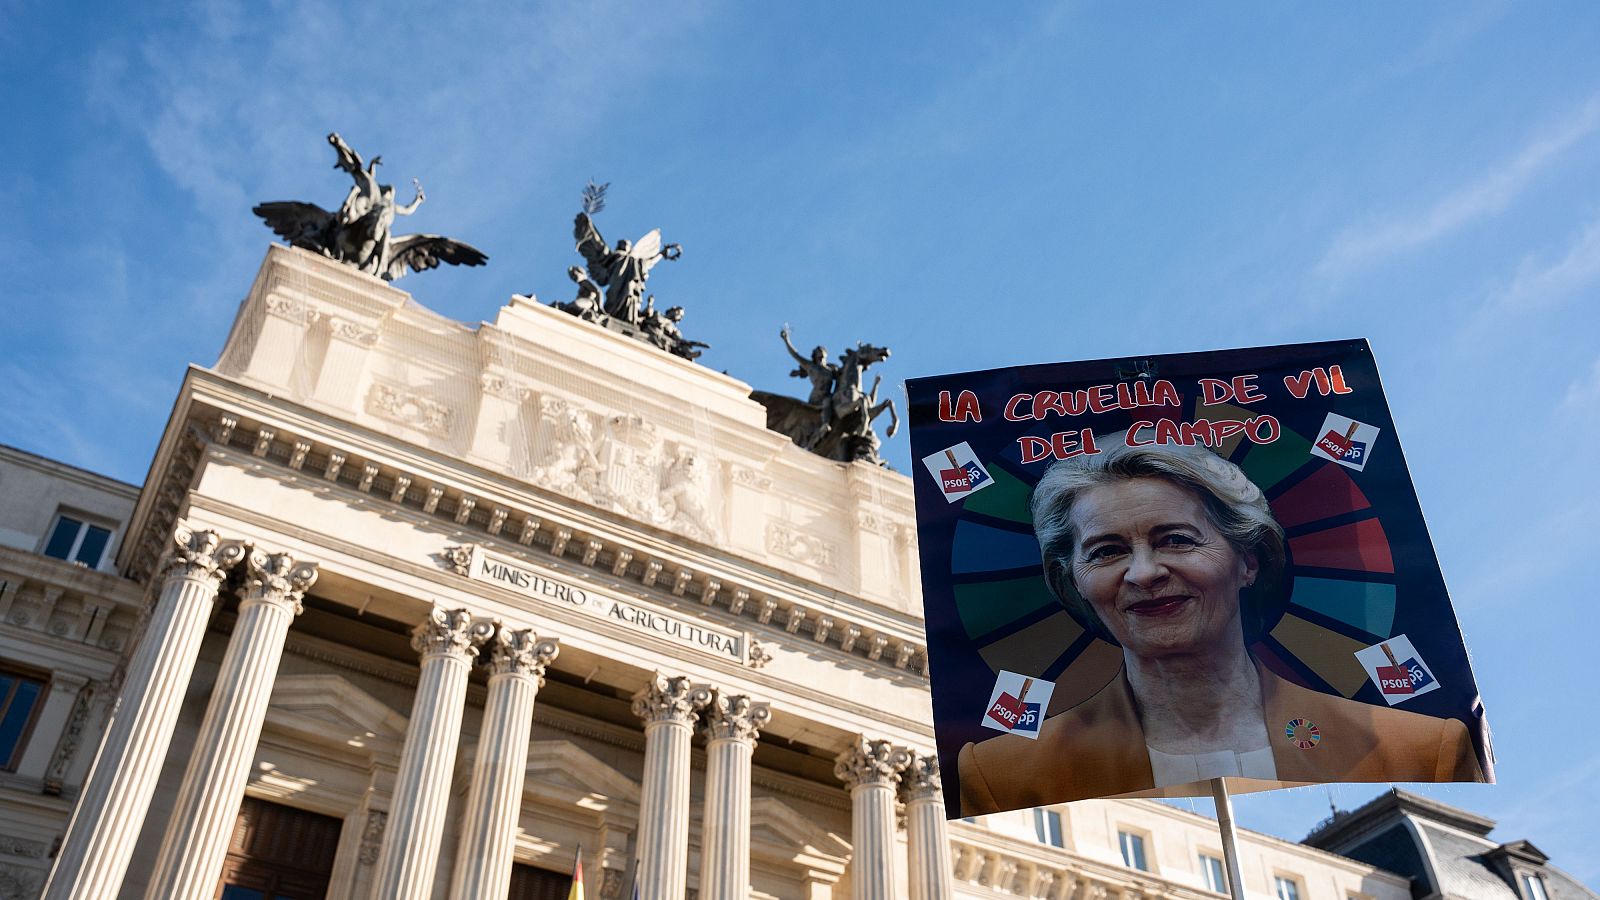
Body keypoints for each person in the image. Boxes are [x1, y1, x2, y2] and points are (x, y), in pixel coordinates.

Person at [956, 438, 1483, 816]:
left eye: (1177, 540)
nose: (1143, 573)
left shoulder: (1417, 746)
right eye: (1108, 551)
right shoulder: (1005, 775)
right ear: (1072, 583)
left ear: (1248, 560)